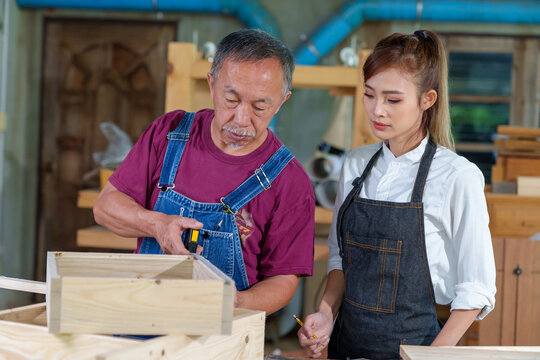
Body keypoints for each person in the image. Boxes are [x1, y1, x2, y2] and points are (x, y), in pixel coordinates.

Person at [297, 30, 496, 359]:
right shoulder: (356, 164)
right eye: (369, 95)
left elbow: (476, 290)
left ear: (427, 100)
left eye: (392, 100)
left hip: (416, 349)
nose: (377, 111)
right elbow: (339, 259)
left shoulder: (456, 177)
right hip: (345, 349)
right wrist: (325, 314)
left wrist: (431, 356)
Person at [93, 28, 315, 315]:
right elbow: (105, 208)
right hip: (142, 315)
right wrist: (157, 224)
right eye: (231, 100)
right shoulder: (169, 133)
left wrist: (237, 302)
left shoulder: (290, 181)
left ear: (282, 101)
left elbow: (283, 279)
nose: (241, 119)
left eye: (260, 106)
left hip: (225, 331)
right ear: (211, 85)